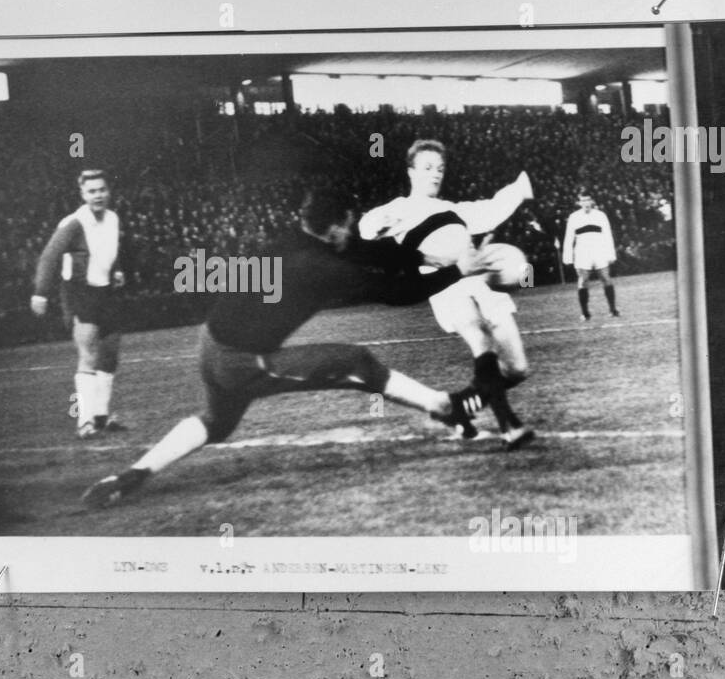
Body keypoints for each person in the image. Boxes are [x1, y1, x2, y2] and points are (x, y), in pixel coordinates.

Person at [81, 185, 493, 508]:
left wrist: (419, 254)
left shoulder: (296, 240)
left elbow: (363, 251)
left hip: (210, 343)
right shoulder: (317, 268)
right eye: (347, 226)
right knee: (355, 361)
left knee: (216, 423)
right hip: (240, 361)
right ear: (334, 227)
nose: (350, 233)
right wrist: (456, 270)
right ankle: (448, 407)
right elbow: (395, 293)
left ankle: (131, 476)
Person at [359, 139, 535, 448]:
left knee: (518, 369)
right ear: (411, 172)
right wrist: (376, 223)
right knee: (480, 337)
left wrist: (520, 187)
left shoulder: (455, 209)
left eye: (440, 168)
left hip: (480, 281)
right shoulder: (399, 208)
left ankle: (453, 406)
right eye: (427, 168)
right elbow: (366, 227)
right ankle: (510, 425)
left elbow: (493, 209)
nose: (435, 174)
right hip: (444, 285)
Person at [31, 169, 129, 438]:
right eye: (92, 191)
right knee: (88, 354)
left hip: (105, 291)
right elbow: (49, 257)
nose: (97, 195)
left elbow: (108, 247)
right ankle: (84, 421)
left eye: (102, 190)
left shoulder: (112, 218)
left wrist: (116, 269)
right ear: (83, 194)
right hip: (78, 293)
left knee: (110, 352)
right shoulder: (74, 223)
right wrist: (40, 292)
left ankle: (101, 416)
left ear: (108, 192)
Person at [562, 191, 619, 321]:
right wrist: (567, 256)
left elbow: (608, 235)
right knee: (583, 281)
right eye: (583, 200)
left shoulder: (601, 215)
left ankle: (613, 310)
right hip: (582, 252)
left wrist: (611, 253)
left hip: (599, 250)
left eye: (588, 199)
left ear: (592, 201)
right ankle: (585, 313)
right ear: (579, 202)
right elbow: (569, 238)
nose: (586, 203)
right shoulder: (573, 217)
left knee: (605, 278)